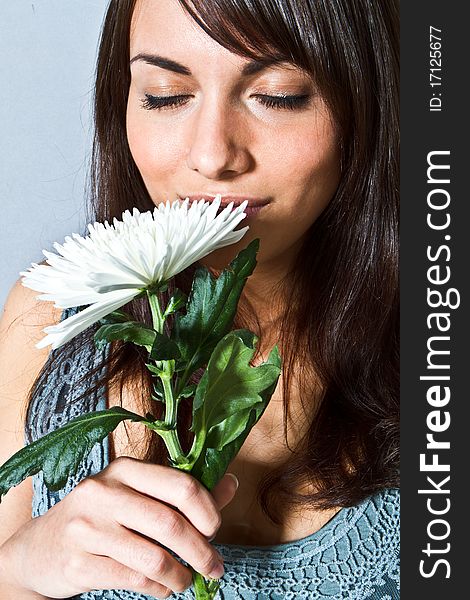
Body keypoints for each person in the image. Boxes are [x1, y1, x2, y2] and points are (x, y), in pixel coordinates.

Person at [0, 0, 399, 598]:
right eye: (165, 96)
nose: (213, 156)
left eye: (279, 96)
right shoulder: (49, 313)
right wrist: (20, 568)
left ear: (367, 106)